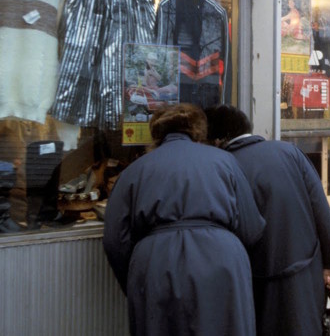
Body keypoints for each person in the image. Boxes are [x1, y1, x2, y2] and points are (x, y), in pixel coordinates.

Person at [103, 103, 266, 336]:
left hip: (156, 265)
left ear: (157, 135)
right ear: (198, 132)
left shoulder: (134, 171)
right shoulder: (225, 161)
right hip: (222, 263)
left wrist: (139, 274)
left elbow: (113, 240)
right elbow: (251, 228)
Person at [204, 104, 330, 336]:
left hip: (254, 277)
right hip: (304, 270)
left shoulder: (223, 166)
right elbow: (320, 206)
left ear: (218, 139)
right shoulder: (288, 152)